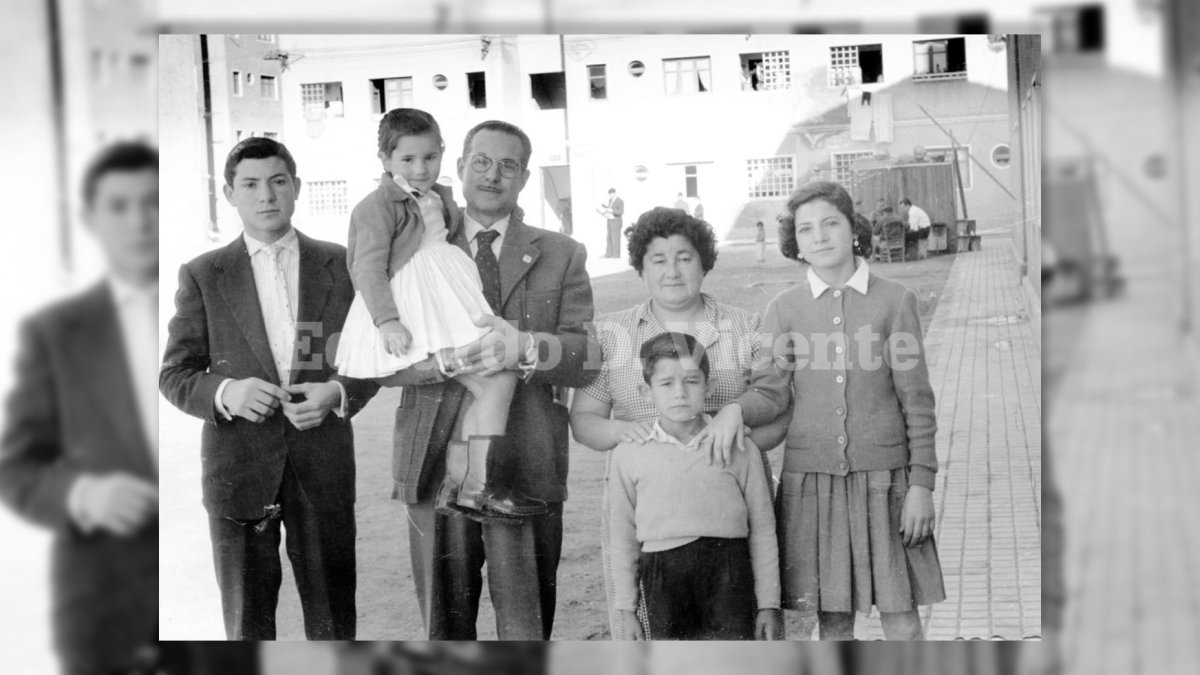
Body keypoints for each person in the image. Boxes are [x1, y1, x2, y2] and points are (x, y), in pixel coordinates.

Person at [377, 120, 599, 640]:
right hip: (434, 464)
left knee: (524, 628)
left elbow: (588, 355)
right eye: (481, 161)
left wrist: (525, 347)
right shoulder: (409, 246)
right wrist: (446, 363)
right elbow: (380, 360)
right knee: (444, 628)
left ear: (524, 177)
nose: (492, 176)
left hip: (525, 466)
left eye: (508, 166)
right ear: (458, 168)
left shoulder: (561, 252)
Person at [695, 180, 946, 640]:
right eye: (806, 229)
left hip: (885, 480)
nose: (820, 236)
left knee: (902, 618)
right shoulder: (784, 309)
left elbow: (918, 401)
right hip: (813, 485)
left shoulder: (895, 300)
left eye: (831, 223)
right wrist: (734, 410)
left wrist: (922, 485)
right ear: (796, 242)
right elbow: (770, 391)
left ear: (854, 229)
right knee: (831, 621)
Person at [159, 137, 379, 640]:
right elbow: (175, 374)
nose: (266, 196)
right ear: (229, 194)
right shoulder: (204, 274)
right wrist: (226, 392)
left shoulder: (338, 265)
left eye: (278, 181)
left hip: (320, 465)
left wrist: (338, 392)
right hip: (238, 471)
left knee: (332, 619)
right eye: (251, 184)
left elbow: (370, 360)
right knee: (248, 622)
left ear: (297, 187)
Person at [569, 206, 788, 640]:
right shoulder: (612, 332)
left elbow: (779, 412)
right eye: (658, 259)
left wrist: (736, 426)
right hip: (649, 510)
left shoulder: (745, 327)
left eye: (685, 257)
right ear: (640, 268)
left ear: (704, 262)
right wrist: (624, 434)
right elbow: (584, 420)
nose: (672, 270)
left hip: (730, 507)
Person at [333, 108, 539, 521]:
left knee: (497, 383)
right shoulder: (376, 206)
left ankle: (468, 486)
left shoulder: (441, 197)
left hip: (445, 292)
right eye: (407, 160)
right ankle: (470, 488)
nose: (421, 168)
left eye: (430, 157)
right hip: (415, 307)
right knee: (495, 380)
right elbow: (367, 267)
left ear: (444, 154)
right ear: (385, 160)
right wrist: (388, 320)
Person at [0, 142, 159, 674]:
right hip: (105, 606)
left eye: (152, 201)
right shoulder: (55, 333)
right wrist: (85, 495)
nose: (139, 221)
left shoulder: (213, 303)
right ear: (89, 218)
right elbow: (16, 467)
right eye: (119, 206)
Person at [609, 332, 782, 640]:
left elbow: (763, 530)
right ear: (645, 392)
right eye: (666, 383)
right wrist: (626, 609)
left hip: (728, 571)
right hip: (662, 575)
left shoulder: (740, 448)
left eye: (691, 381)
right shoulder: (629, 453)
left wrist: (768, 604)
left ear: (709, 387)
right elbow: (622, 537)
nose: (680, 393)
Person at [601, 187, 624, 258]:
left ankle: (616, 255)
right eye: (610, 194)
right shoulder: (610, 200)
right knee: (609, 239)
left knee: (615, 239)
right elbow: (609, 208)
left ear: (615, 193)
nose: (611, 195)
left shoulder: (620, 201)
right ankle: (609, 254)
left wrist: (612, 210)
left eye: (612, 194)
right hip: (610, 221)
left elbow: (620, 212)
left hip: (616, 223)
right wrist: (605, 207)